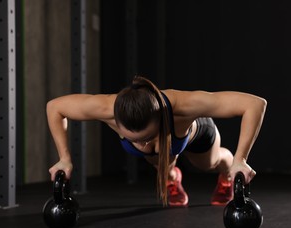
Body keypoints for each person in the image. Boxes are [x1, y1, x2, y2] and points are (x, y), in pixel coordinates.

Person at [46, 76, 267, 207]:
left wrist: (241, 159)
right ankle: (172, 176)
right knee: (157, 157)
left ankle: (226, 173)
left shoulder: (185, 105)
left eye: (148, 136)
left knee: (209, 163)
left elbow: (254, 104)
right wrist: (64, 159)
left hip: (197, 133)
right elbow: (55, 107)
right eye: (136, 140)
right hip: (165, 150)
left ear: (160, 118)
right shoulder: (105, 108)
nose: (142, 144)